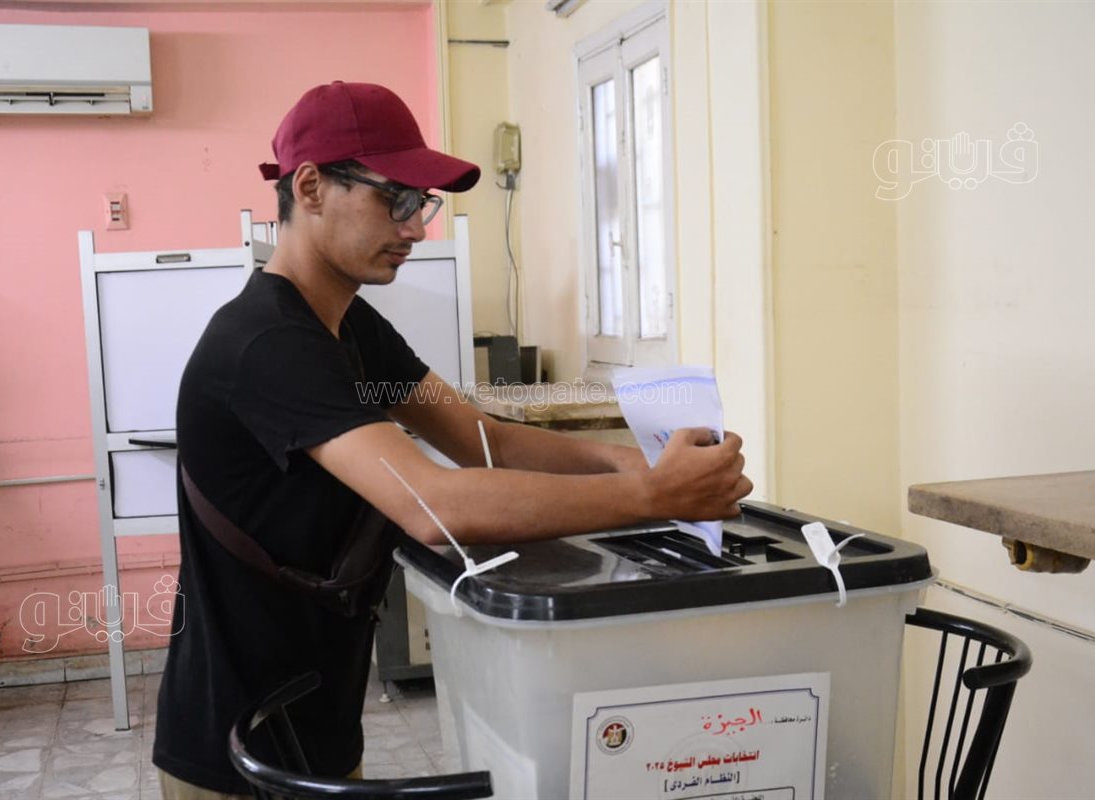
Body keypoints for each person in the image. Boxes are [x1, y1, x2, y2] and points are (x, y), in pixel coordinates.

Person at [152, 81, 752, 799]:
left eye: (422, 204)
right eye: (396, 199)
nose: (415, 228)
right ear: (310, 187)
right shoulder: (268, 344)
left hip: (318, 721)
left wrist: (639, 462)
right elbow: (433, 504)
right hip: (237, 749)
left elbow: (483, 439)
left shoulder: (350, 328)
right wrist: (652, 496)